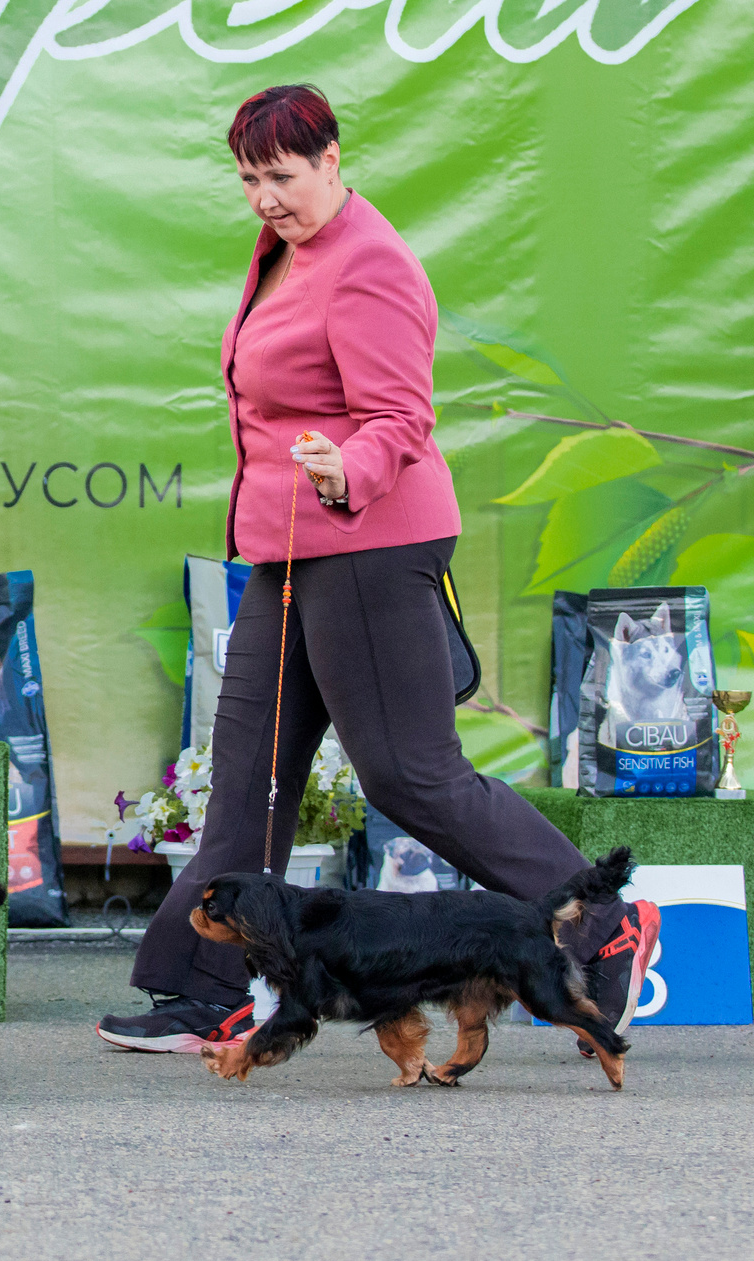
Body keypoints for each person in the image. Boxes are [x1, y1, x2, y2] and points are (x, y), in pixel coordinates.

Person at [97, 85, 657, 1058]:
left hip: (366, 545)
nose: (263, 196)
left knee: (410, 775)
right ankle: (209, 992)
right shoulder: (289, 251)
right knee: (250, 778)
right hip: (285, 552)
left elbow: (399, 420)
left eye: (279, 175)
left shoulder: (368, 264)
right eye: (247, 178)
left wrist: (342, 470)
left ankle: (601, 920)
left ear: (329, 159)